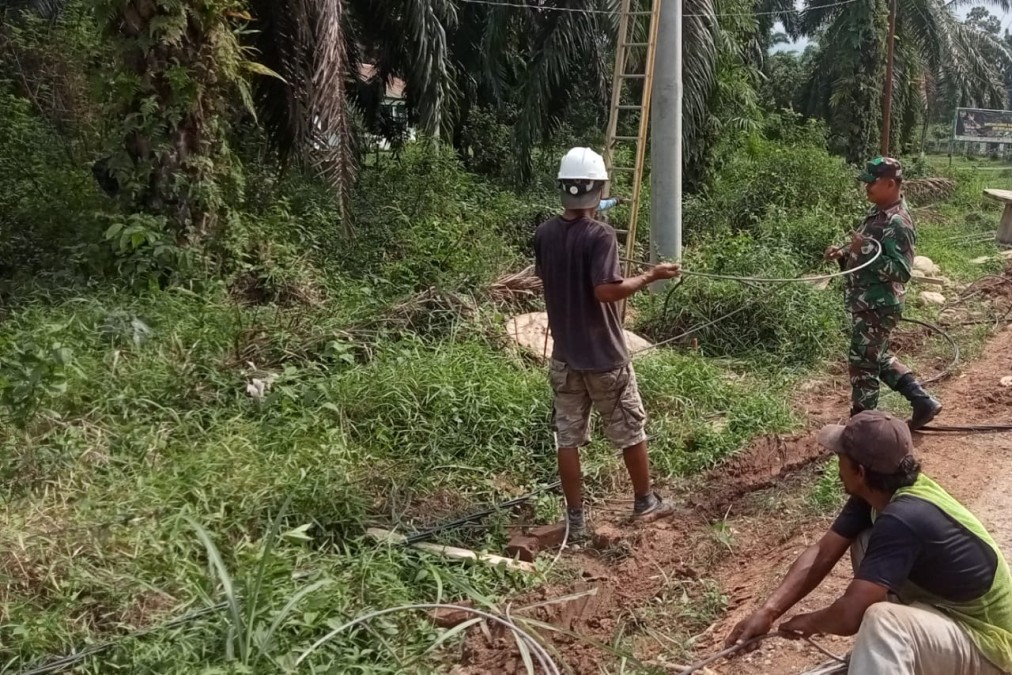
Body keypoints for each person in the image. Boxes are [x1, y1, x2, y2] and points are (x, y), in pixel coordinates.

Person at [725, 410, 1012, 674]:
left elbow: (850, 616)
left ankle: (887, 650)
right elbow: (823, 552)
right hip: (946, 614)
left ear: (860, 472)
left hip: (991, 646)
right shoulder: (881, 492)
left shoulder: (903, 517)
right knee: (863, 540)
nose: (837, 464)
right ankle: (886, 657)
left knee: (883, 622)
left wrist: (809, 622)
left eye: (841, 457)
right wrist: (768, 612)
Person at [533, 147, 680, 540]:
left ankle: (576, 521)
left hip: (565, 358)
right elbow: (605, 291)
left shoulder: (545, 234)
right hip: (605, 358)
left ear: (563, 187)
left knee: (568, 439)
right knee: (630, 429)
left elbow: (554, 276)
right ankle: (645, 502)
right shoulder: (601, 235)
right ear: (598, 188)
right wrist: (650, 276)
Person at [825, 156, 942, 430]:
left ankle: (862, 426)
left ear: (890, 184)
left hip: (879, 304)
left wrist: (864, 250)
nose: (866, 187)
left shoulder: (898, 222)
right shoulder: (878, 213)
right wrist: (844, 255)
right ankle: (922, 401)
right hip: (868, 301)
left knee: (863, 364)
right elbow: (869, 257)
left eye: (871, 182)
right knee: (875, 356)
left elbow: (901, 271)